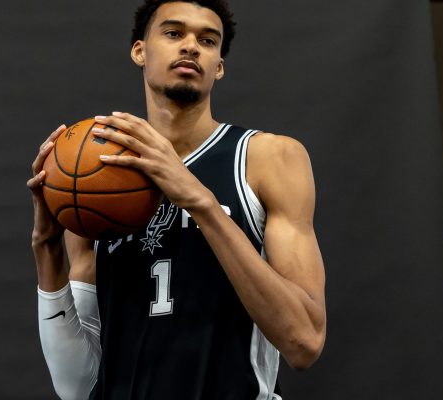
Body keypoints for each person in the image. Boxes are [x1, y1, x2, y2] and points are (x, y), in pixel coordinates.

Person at [26, 1, 327, 398]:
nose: (191, 46)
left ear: (218, 65)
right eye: (173, 33)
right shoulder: (95, 179)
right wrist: (47, 248)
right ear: (140, 51)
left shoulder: (266, 159)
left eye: (207, 40)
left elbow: (303, 341)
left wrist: (201, 202)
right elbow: (77, 386)